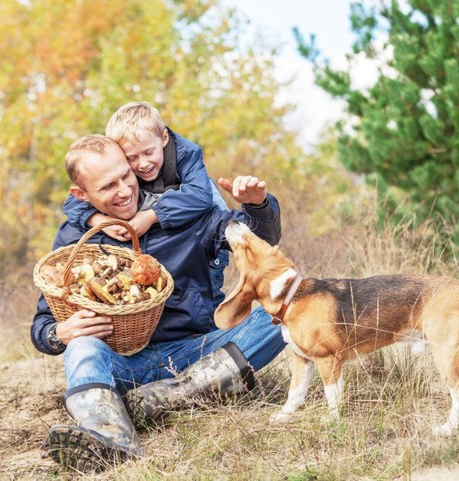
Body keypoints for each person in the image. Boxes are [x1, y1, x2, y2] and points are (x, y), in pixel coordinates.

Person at [32, 134, 286, 472]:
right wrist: (60, 332)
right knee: (81, 349)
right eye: (108, 187)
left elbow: (256, 239)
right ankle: (111, 439)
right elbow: (42, 324)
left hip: (198, 353)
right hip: (123, 365)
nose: (124, 190)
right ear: (81, 195)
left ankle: (170, 396)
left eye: (126, 176)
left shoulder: (188, 215)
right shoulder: (74, 238)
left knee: (283, 311)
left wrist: (258, 205)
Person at [63, 101, 230, 309]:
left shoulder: (186, 155)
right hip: (168, 221)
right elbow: (73, 202)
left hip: (209, 225)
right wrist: (100, 220)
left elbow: (200, 196)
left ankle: (214, 325)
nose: (142, 164)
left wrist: (152, 216)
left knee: (209, 285)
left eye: (148, 153)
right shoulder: (125, 173)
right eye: (131, 158)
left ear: (164, 138)